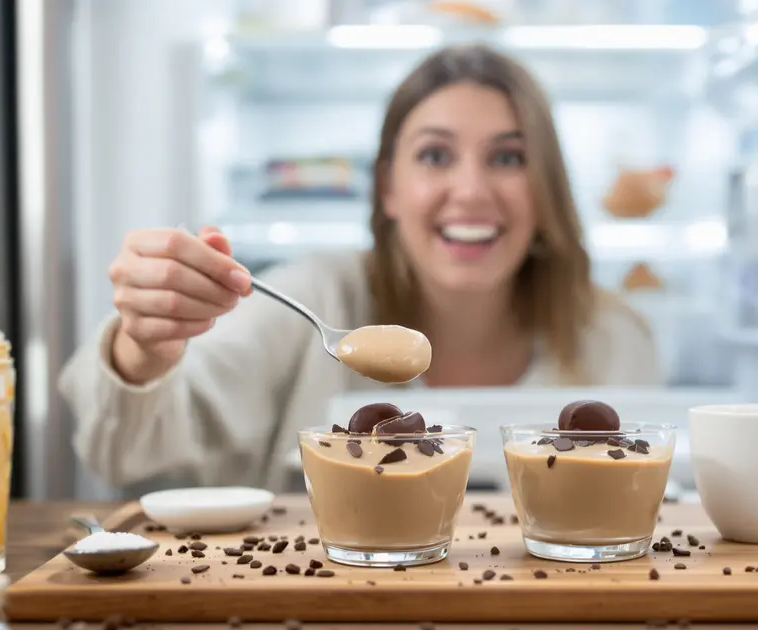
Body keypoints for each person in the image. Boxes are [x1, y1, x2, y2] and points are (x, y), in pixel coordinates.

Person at [59, 44, 660, 492]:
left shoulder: (613, 340)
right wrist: (145, 347)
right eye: (434, 155)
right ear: (387, 189)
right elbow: (123, 454)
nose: (471, 191)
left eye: (508, 157)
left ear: (546, 188)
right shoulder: (312, 301)